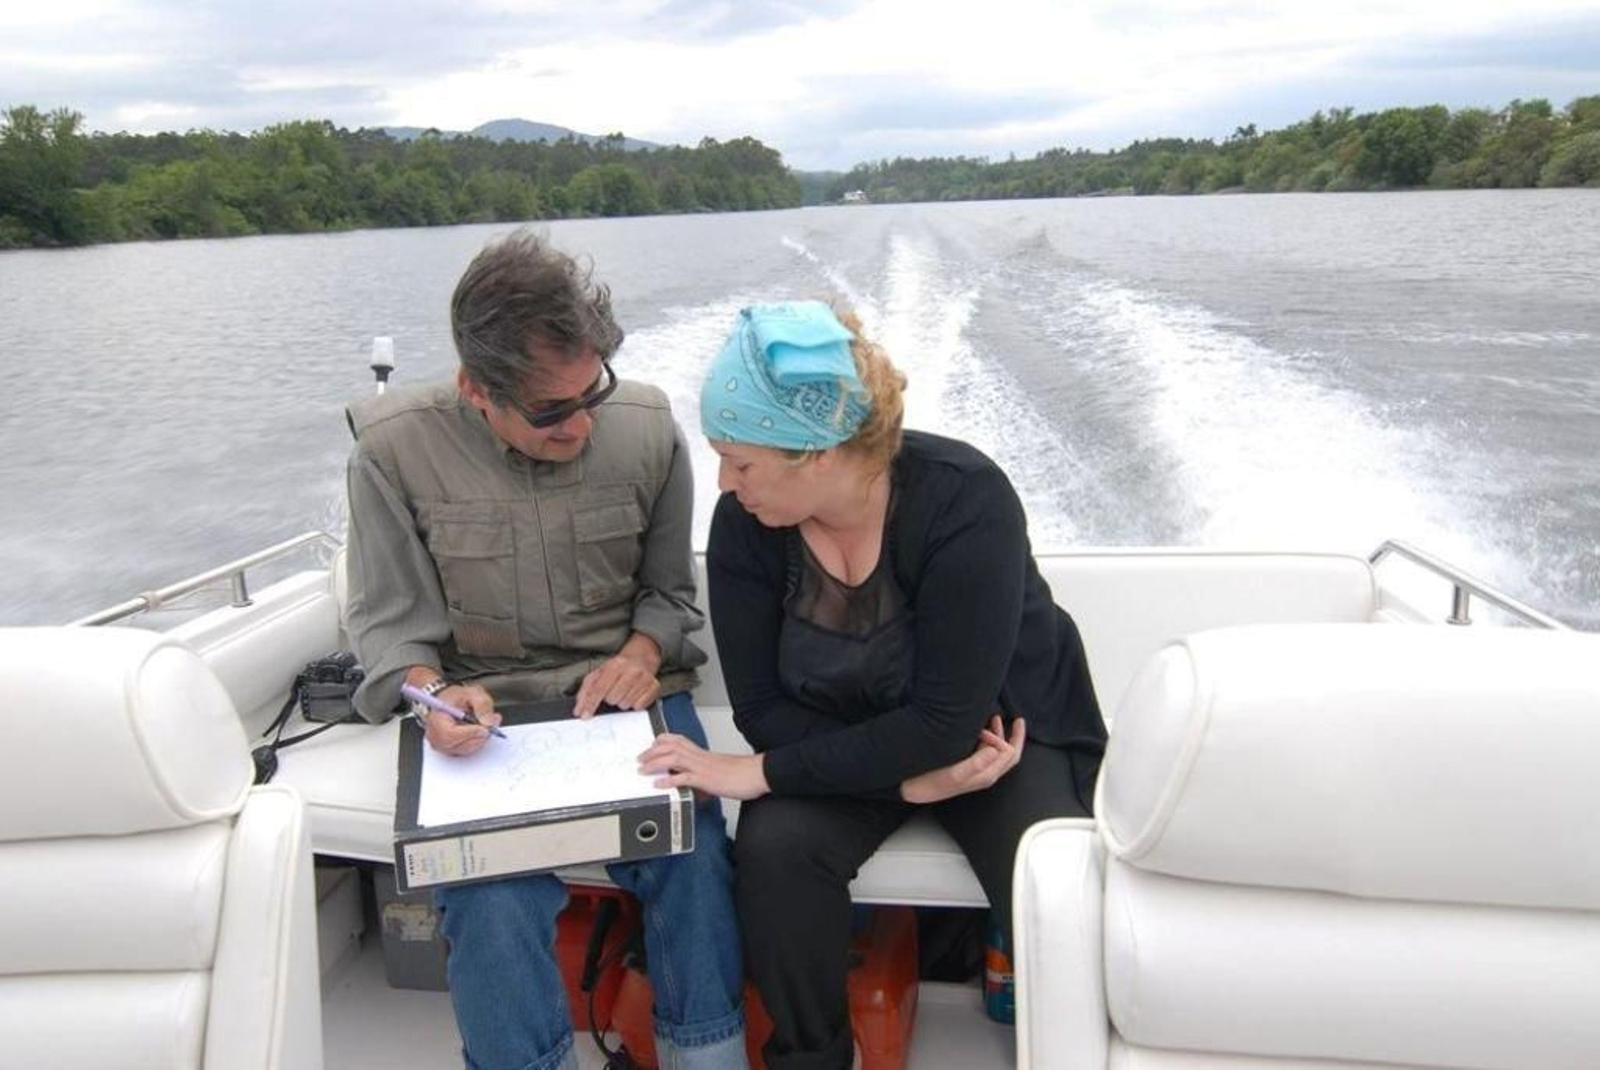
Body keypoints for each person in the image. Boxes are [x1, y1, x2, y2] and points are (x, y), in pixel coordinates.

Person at [638, 301, 1106, 1070]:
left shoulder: (966, 499)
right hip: (838, 732)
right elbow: (762, 710)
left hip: (996, 741)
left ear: (816, 454)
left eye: (741, 462)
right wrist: (905, 788)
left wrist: (763, 774)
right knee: (775, 853)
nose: (725, 482)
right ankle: (814, 1058)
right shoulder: (745, 527)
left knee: (1050, 881)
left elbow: (947, 723)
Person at [343, 229, 746, 1070]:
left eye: (593, 391)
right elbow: (391, 624)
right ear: (475, 388)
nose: (583, 424)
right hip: (486, 711)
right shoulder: (390, 452)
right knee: (486, 894)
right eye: (552, 411)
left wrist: (643, 653)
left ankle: (707, 1056)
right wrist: (432, 695)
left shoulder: (650, 429)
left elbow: (670, 593)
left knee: (695, 859)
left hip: (631, 695)